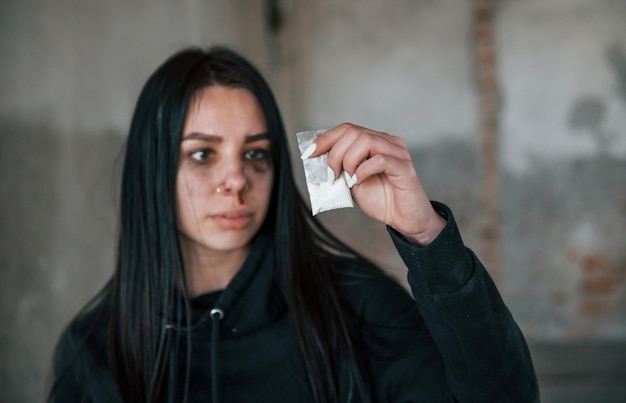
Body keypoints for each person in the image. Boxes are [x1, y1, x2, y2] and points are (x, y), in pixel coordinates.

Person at [47, 46, 539, 403]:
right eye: (202, 154)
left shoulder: (355, 307)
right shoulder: (93, 350)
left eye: (255, 153)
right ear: (151, 168)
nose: (236, 180)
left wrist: (429, 239)